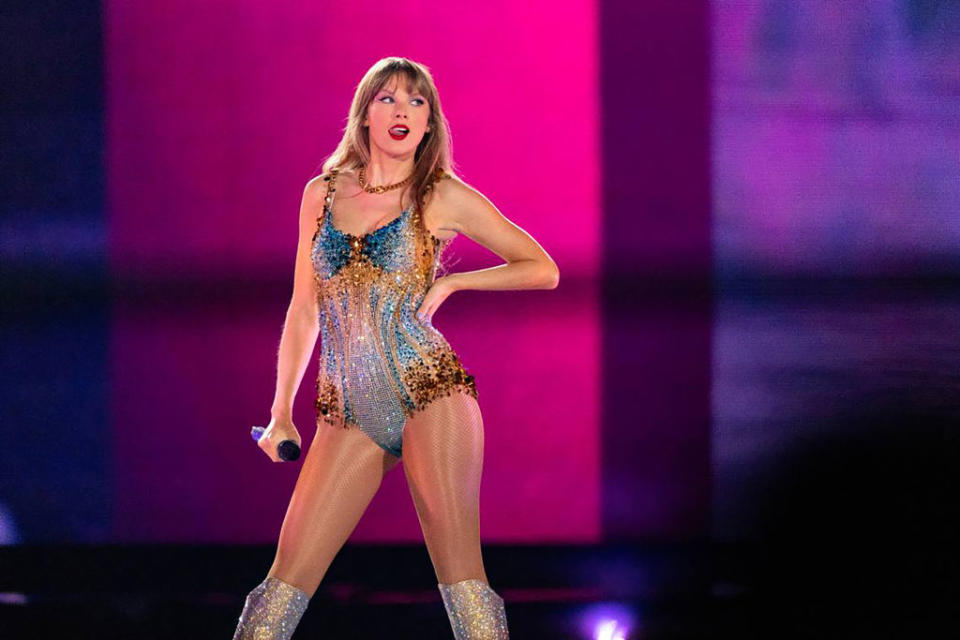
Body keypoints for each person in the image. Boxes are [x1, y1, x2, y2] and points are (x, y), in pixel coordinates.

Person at [233, 56, 559, 639]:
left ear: (430, 123)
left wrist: (458, 280)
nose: (402, 109)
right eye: (388, 98)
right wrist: (281, 411)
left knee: (461, 578)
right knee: (278, 590)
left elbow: (542, 268)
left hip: (429, 391)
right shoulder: (321, 193)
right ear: (364, 115)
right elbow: (304, 309)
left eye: (416, 101)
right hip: (348, 410)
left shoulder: (443, 196)